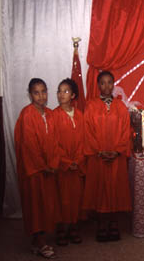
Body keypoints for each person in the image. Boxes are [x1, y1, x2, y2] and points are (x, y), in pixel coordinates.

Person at [82, 71, 131, 242]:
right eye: (102, 83)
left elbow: (126, 131)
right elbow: (87, 131)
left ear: (114, 84)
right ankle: (101, 224)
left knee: (116, 189)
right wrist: (99, 151)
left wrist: (117, 151)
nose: (106, 86)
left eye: (110, 82)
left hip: (116, 157)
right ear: (98, 85)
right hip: (98, 156)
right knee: (100, 189)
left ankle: (114, 223)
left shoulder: (121, 106)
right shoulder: (91, 106)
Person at [14, 78, 61, 258]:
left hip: (49, 168)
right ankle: (41, 242)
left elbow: (56, 141)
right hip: (34, 170)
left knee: (46, 205)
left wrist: (54, 164)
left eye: (43, 91)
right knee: (36, 205)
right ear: (30, 94)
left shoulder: (50, 114)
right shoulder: (27, 114)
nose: (41, 96)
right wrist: (43, 166)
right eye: (36, 92)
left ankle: (37, 241)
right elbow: (29, 145)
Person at [53, 78, 85, 246]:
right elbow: (53, 144)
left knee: (76, 197)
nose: (61, 94)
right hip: (62, 166)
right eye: (59, 91)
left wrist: (78, 160)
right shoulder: (53, 116)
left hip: (77, 165)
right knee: (61, 198)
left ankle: (74, 228)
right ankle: (61, 229)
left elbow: (83, 141)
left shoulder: (80, 115)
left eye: (65, 91)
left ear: (73, 95)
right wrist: (66, 162)